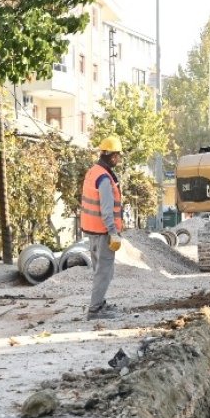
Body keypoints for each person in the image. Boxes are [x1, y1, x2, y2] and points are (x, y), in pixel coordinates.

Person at [80, 136, 126, 320]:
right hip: (103, 231)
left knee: (99, 270)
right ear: (112, 156)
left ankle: (99, 303)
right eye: (118, 155)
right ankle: (95, 309)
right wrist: (113, 232)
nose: (118, 159)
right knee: (104, 271)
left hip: (92, 230)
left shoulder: (93, 171)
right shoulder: (104, 178)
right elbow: (107, 209)